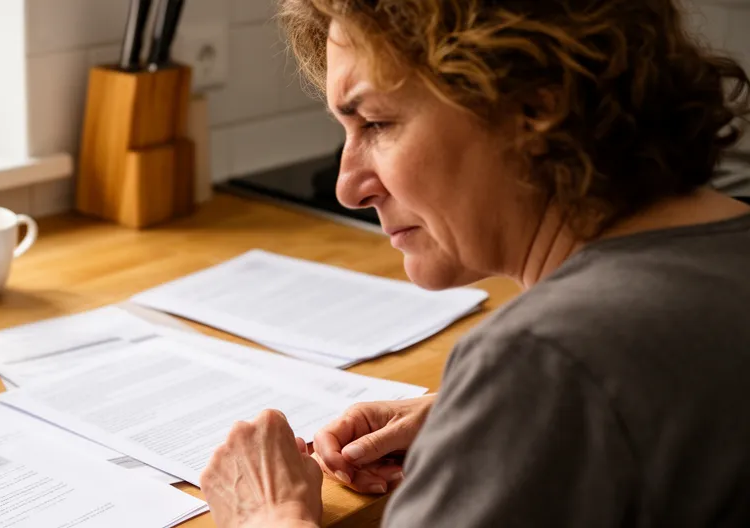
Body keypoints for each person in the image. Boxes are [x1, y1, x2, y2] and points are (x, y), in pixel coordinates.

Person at [198, 0, 750, 526]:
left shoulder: (545, 359)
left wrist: (268, 515)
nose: (348, 187)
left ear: (532, 108)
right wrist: (498, 426)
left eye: (377, 123)